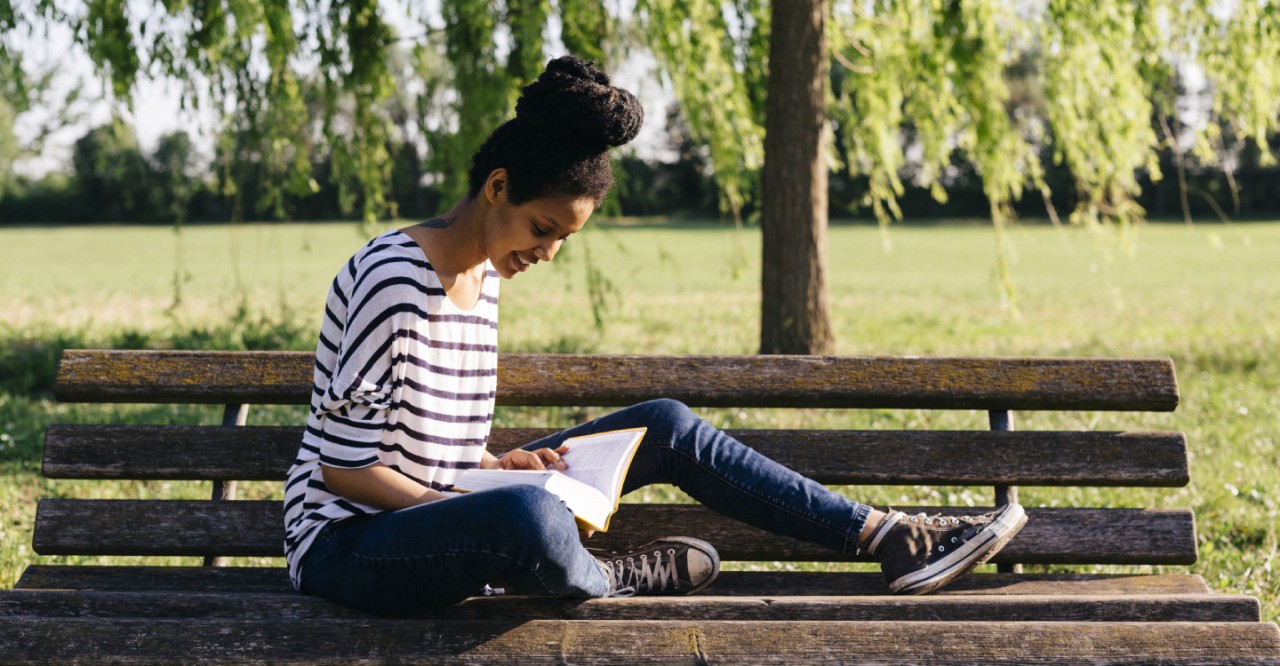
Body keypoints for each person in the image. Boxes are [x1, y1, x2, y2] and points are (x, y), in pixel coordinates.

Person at [283, 55, 1027, 615]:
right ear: (497, 186)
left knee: (662, 428)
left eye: (563, 240)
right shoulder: (391, 275)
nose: (547, 253)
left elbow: (428, 443)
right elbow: (346, 473)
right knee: (529, 516)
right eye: (543, 229)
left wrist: (495, 462)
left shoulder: (486, 281)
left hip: (441, 513)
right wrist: (487, 499)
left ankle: (885, 536)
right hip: (348, 545)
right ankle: (610, 576)